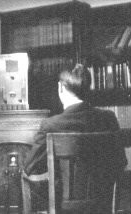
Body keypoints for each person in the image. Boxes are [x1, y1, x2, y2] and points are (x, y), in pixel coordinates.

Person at [23, 64, 127, 213]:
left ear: (60, 88)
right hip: (102, 206)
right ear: (87, 88)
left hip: (64, 209)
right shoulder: (108, 119)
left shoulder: (51, 124)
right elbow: (121, 162)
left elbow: (29, 167)